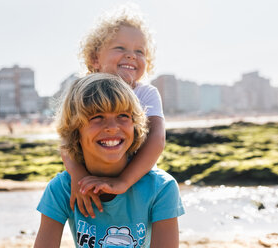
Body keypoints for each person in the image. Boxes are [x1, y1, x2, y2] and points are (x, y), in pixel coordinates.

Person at [34, 73, 184, 248]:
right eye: (97, 117)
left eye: (123, 116)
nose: (113, 128)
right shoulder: (62, 189)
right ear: (75, 130)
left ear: (136, 125)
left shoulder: (161, 188)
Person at [63, 6, 166, 219]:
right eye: (120, 47)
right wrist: (78, 176)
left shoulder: (146, 93)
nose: (131, 55)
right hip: (93, 182)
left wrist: (123, 181)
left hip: (136, 182)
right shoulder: (82, 91)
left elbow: (156, 139)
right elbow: (67, 138)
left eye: (140, 51)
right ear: (94, 58)